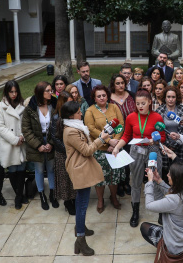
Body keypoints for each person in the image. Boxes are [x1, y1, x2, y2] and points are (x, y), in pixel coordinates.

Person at [61, 101, 111, 256]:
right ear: (71, 115)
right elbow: (87, 150)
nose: (81, 113)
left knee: (81, 202)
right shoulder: (71, 131)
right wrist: (101, 139)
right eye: (78, 112)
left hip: (83, 168)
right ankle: (80, 240)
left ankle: (79, 228)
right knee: (82, 205)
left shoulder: (75, 126)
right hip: (80, 170)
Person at [112, 89, 166, 227]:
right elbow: (126, 136)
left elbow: (163, 137)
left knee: (156, 179)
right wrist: (117, 147)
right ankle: (135, 211)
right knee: (135, 182)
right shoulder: (131, 117)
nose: (140, 106)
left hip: (153, 150)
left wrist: (154, 141)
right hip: (136, 150)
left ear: (149, 102)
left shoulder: (157, 118)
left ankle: (161, 212)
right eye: (137, 103)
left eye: (143, 103)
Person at [140, 163, 183, 257]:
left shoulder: (173, 201)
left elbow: (149, 205)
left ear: (177, 180)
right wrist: (159, 180)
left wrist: (150, 182)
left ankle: (171, 252)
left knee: (144, 227)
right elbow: (175, 194)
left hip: (176, 244)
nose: (167, 175)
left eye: (169, 174)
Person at [84, 85, 125, 213]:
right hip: (100, 149)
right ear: (94, 98)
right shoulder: (90, 111)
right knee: (100, 177)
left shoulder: (114, 107)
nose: (102, 98)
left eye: (104, 95)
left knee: (114, 176)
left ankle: (113, 197)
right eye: (99, 96)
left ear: (107, 96)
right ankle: (100, 200)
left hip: (115, 148)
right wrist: (108, 141)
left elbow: (121, 124)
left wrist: (115, 143)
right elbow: (91, 129)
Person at [22, 81, 58, 210]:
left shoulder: (54, 105)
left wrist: (52, 144)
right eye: (47, 91)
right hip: (36, 141)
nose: (51, 93)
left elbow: (58, 126)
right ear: (40, 93)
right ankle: (42, 194)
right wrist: (38, 145)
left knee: (51, 169)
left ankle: (53, 194)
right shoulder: (30, 108)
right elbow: (26, 130)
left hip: (51, 140)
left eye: (51, 90)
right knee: (39, 169)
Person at [0, 80, 27, 210]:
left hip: (22, 143)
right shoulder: (0, 107)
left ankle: (20, 194)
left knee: (22, 169)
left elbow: (26, 124)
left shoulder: (22, 105)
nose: (13, 94)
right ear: (7, 92)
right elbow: (0, 127)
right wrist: (14, 139)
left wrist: (22, 137)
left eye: (15, 91)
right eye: (11, 92)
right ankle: (18, 196)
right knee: (13, 170)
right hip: (9, 144)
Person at [50, 91, 77, 215]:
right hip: (63, 154)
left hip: (73, 153)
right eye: (69, 101)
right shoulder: (56, 118)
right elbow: (55, 138)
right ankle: (67, 201)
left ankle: (74, 198)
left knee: (73, 178)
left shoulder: (72, 116)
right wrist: (69, 150)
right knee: (65, 179)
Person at [109, 74, 136, 197]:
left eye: (122, 83)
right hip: (115, 134)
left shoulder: (132, 95)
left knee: (127, 160)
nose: (121, 85)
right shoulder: (108, 98)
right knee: (117, 160)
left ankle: (126, 183)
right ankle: (118, 184)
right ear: (113, 85)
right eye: (117, 83)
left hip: (130, 134)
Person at [155, 86, 183, 172]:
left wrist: (175, 144)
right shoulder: (159, 111)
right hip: (164, 148)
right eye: (168, 97)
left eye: (173, 97)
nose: (171, 99)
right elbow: (158, 130)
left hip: (179, 147)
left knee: (179, 173)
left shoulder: (182, 109)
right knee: (166, 173)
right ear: (165, 98)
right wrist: (167, 146)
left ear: (176, 98)